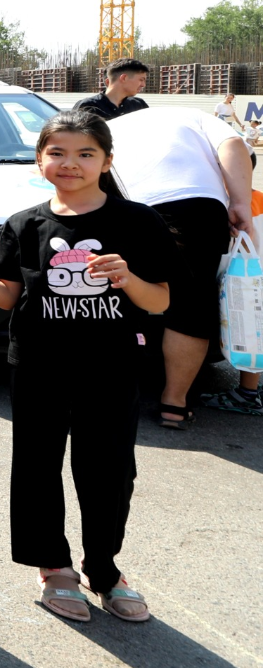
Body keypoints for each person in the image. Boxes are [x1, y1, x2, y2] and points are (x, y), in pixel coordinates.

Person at [0, 111, 167, 625]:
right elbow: (7, 296)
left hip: (112, 368)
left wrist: (128, 278)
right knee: (37, 468)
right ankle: (54, 567)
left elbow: (159, 301)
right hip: (39, 366)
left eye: (85, 154)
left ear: (107, 161)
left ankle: (105, 568)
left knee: (110, 471)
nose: (70, 163)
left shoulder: (138, 222)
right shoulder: (24, 225)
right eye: (58, 153)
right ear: (40, 160)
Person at [105, 106, 254, 427]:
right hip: (193, 206)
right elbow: (234, 146)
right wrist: (240, 203)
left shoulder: (110, 125)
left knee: (114, 293)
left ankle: (105, 394)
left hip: (122, 204)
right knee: (191, 302)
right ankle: (174, 403)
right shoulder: (198, 117)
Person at [74, 58, 149, 120]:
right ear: (124, 78)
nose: (143, 85)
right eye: (141, 80)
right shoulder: (89, 107)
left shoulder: (139, 105)